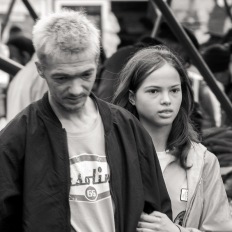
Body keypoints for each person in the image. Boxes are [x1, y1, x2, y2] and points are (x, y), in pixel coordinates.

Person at [0, 10, 172, 232]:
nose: (75, 89)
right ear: (41, 70)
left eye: (85, 75)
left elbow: (156, 207)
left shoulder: (127, 127)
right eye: (62, 78)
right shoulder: (17, 139)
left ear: (97, 63)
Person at [113, 45, 232, 231]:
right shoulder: (110, 153)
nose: (166, 100)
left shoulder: (203, 162)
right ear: (132, 97)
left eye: (174, 90)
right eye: (154, 91)